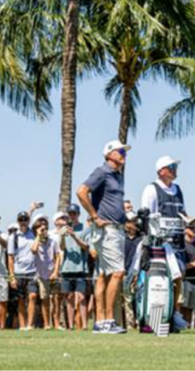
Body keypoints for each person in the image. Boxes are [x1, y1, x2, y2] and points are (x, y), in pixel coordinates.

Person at [77, 140, 129, 335]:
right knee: (117, 272)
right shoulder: (102, 172)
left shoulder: (117, 175)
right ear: (109, 154)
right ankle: (108, 320)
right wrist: (94, 216)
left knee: (103, 275)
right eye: (121, 151)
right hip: (108, 230)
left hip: (114, 229)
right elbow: (81, 192)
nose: (124, 154)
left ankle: (100, 322)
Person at [139, 155, 190, 329]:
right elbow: (146, 216)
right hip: (159, 244)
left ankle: (173, 313)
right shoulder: (151, 189)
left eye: (175, 167)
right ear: (161, 171)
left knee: (178, 277)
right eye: (171, 167)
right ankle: (151, 316)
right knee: (158, 279)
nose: (175, 170)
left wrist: (189, 221)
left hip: (177, 242)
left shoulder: (178, 189)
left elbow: (182, 212)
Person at [56, 207, 90, 330]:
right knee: (69, 297)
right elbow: (62, 248)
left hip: (80, 268)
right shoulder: (63, 229)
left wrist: (74, 236)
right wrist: (63, 236)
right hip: (66, 268)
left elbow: (86, 247)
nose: (72, 216)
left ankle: (84, 325)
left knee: (81, 297)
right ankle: (70, 325)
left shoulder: (85, 229)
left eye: (74, 213)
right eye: (70, 213)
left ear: (78, 214)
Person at [8, 210, 38, 331]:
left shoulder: (34, 233)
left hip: (32, 271)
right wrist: (12, 277)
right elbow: (10, 257)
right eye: (21, 220)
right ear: (18, 221)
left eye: (25, 219)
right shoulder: (13, 237)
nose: (23, 222)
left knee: (33, 296)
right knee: (20, 300)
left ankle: (30, 325)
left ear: (28, 221)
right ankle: (22, 325)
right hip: (18, 272)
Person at [31, 214, 60, 330]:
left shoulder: (53, 241)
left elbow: (58, 257)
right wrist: (38, 236)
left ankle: (57, 324)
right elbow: (33, 250)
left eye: (45, 228)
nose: (44, 230)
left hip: (53, 274)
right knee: (45, 300)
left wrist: (56, 272)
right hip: (42, 276)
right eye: (41, 228)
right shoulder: (35, 242)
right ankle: (47, 324)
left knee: (56, 299)